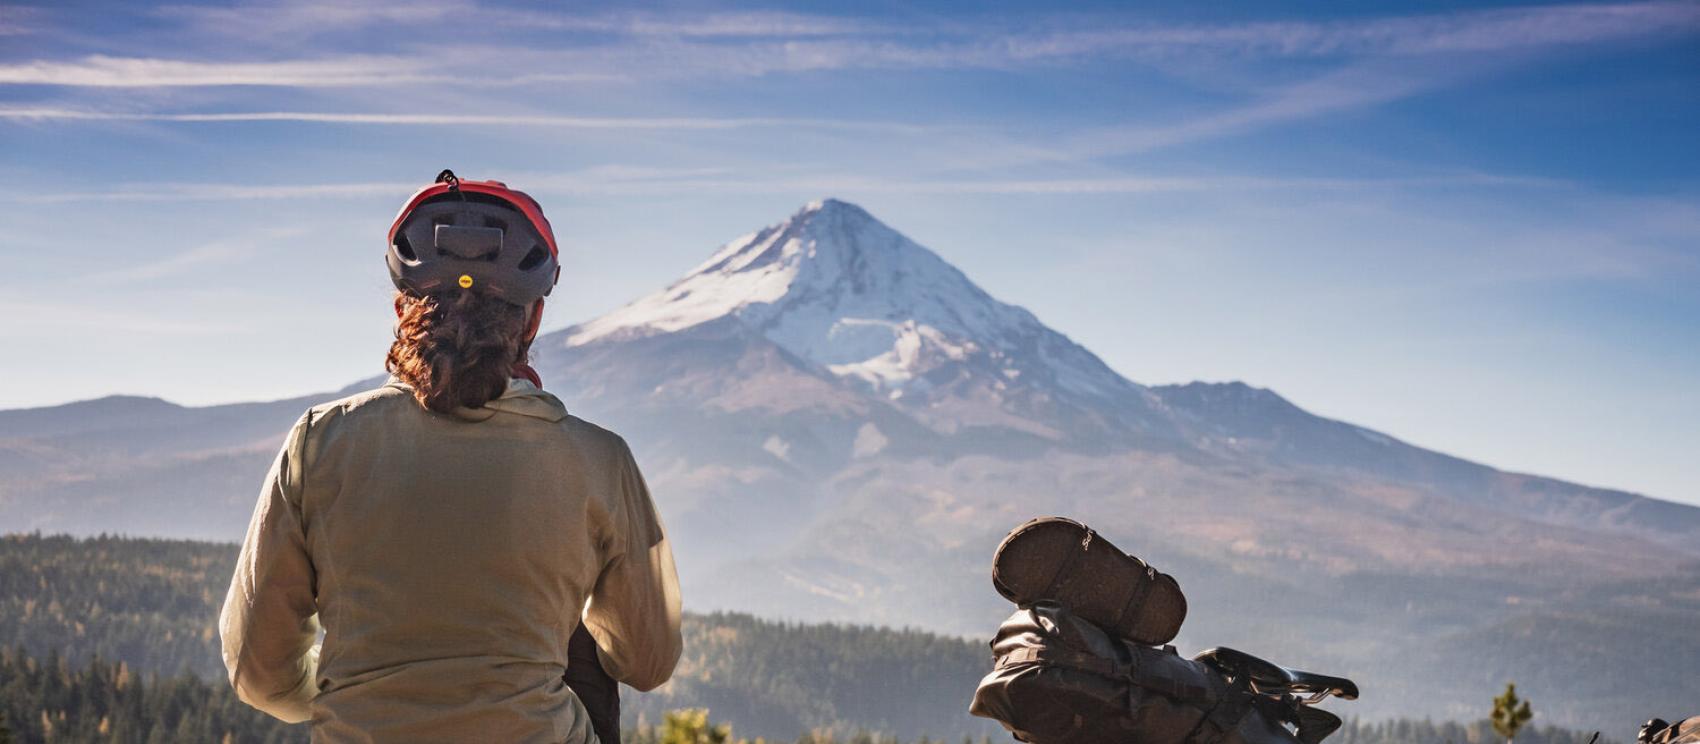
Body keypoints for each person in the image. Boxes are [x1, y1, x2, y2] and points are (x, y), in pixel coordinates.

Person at [219, 170, 682, 743]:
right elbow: (648, 659)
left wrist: (359, 689)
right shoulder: (599, 458)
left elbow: (257, 672)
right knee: (583, 643)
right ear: (532, 319)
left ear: (402, 309)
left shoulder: (319, 443)